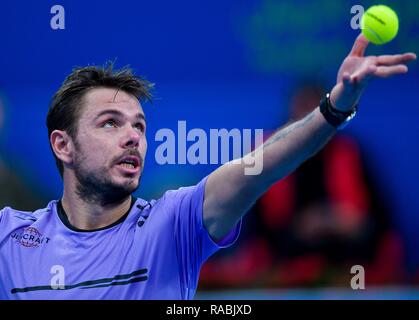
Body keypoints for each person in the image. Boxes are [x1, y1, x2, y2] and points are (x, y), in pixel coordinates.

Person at [0, 35, 415, 299]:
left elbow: (261, 166)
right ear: (63, 145)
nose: (133, 137)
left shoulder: (173, 224)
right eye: (111, 123)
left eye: (140, 127)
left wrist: (333, 107)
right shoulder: (10, 237)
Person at [200, 83, 405, 289]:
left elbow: (380, 220)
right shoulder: (264, 157)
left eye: (316, 110)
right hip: (286, 258)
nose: (310, 119)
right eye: (302, 108)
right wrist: (302, 227)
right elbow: (250, 229)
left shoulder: (351, 153)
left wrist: (342, 222)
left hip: (348, 262)